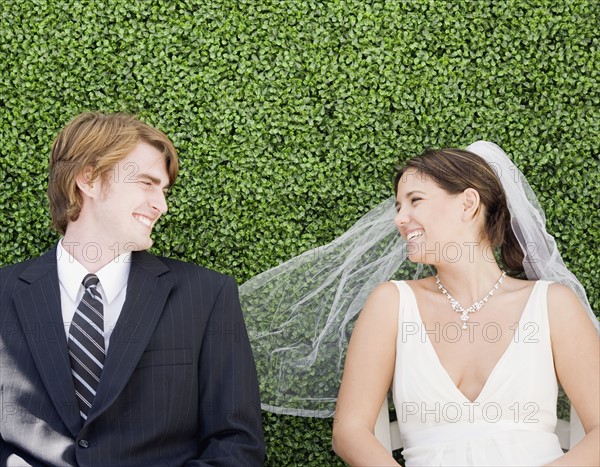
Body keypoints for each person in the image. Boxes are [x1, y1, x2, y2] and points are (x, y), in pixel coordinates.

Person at [0, 112, 265, 466]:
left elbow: (237, 446)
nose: (162, 205)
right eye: (146, 182)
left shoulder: (207, 296)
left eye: (164, 189)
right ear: (88, 179)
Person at [331, 142, 599, 466]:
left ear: (468, 204)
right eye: (398, 207)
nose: (400, 219)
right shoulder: (391, 303)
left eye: (415, 201)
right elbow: (350, 430)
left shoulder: (553, 304)